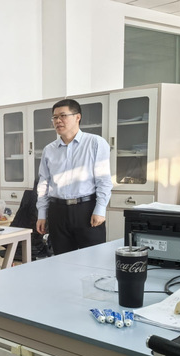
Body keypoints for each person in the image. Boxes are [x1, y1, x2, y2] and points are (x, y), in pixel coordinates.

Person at [35, 99, 113, 255]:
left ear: (78, 117)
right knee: (62, 261)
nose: (58, 121)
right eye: (54, 117)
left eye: (63, 116)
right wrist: (42, 214)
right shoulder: (49, 150)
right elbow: (44, 183)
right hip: (57, 211)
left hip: (86, 210)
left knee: (93, 259)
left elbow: (103, 180)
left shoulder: (96, 143)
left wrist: (100, 209)